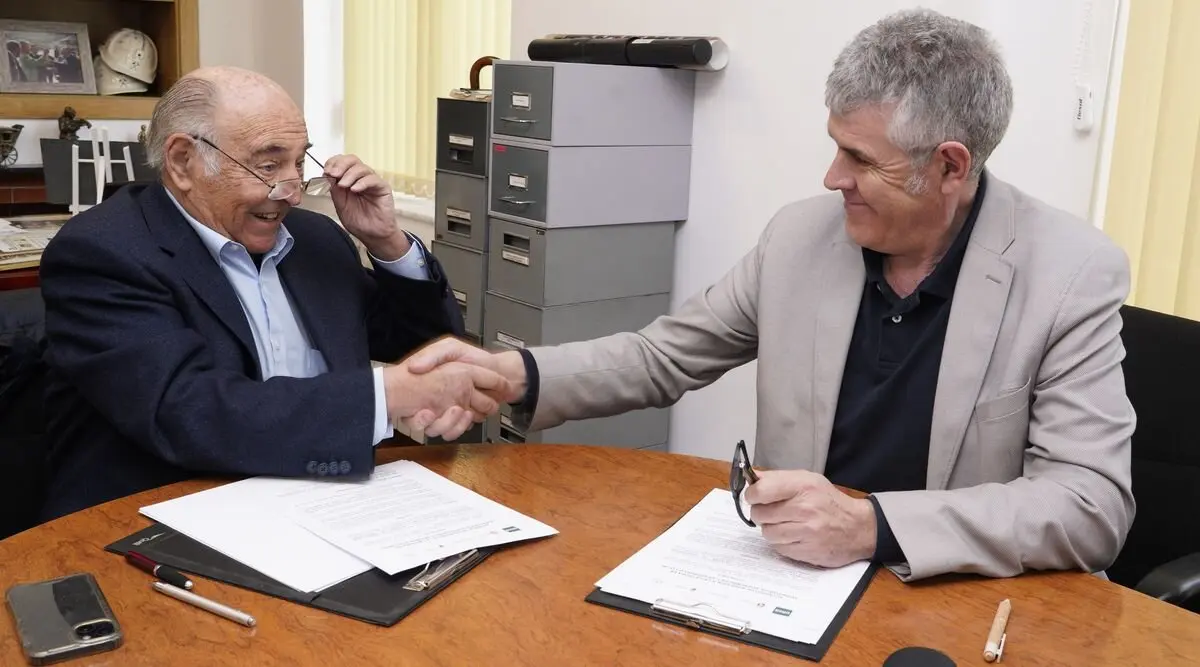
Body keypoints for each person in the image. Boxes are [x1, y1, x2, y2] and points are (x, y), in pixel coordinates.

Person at [402, 8, 1136, 582]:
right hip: (792, 584)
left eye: (859, 158)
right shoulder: (801, 239)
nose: (831, 178)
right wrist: (518, 374)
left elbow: (1089, 505)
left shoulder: (1070, 273)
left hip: (959, 599)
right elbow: (664, 356)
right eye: (834, 145)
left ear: (949, 167)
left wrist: (871, 525)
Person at [38, 66, 507, 519]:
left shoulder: (316, 239)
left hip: (327, 493)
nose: (293, 192)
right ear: (183, 161)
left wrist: (388, 242)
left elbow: (427, 347)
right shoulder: (104, 252)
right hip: (169, 508)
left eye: (300, 162)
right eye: (268, 165)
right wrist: (388, 395)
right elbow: (189, 412)